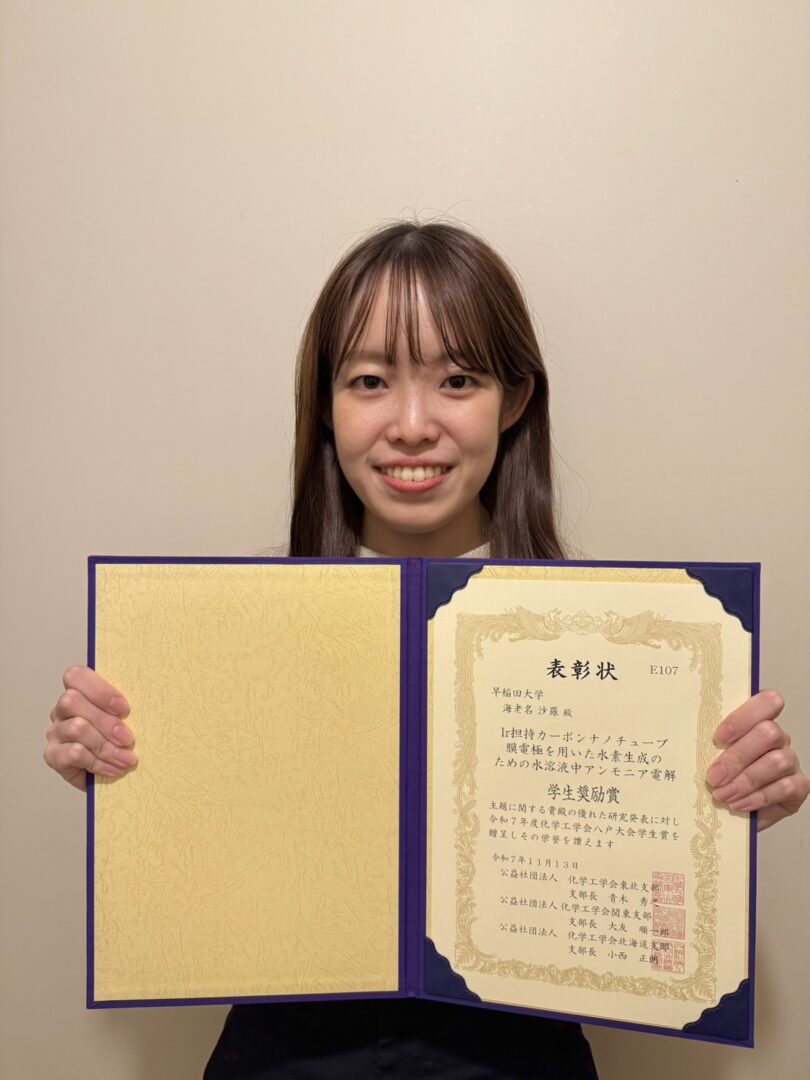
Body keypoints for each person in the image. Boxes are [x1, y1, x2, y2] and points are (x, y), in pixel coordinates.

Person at [44, 222, 809, 1077]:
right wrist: (113, 756)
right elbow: (187, 863)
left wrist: (731, 792)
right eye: (370, 381)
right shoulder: (226, 636)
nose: (412, 426)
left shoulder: (626, 639)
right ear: (326, 405)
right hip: (281, 1056)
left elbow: (658, 867)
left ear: (513, 401)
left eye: (457, 380)